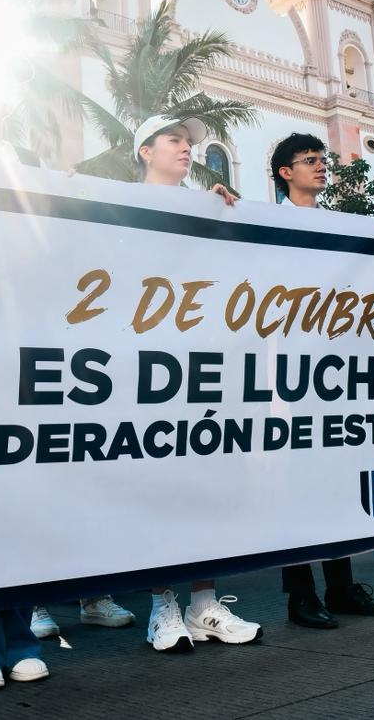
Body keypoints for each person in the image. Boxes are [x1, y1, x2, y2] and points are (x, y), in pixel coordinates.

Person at [131, 114, 261, 652]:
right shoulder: (119, 202)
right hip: (146, 365)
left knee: (209, 482)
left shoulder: (209, 202)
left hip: (204, 365)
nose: (187, 148)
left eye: (190, 142)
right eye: (175, 140)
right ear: (146, 151)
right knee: (158, 487)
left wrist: (217, 214)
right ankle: (162, 606)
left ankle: (206, 603)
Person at [270, 134, 374, 625]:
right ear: (285, 172)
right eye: (310, 161)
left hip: (339, 370)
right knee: (297, 487)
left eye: (323, 159)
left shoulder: (339, 224)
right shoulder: (266, 220)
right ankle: (301, 596)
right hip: (289, 372)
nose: (321, 167)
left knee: (337, 480)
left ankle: (342, 587)